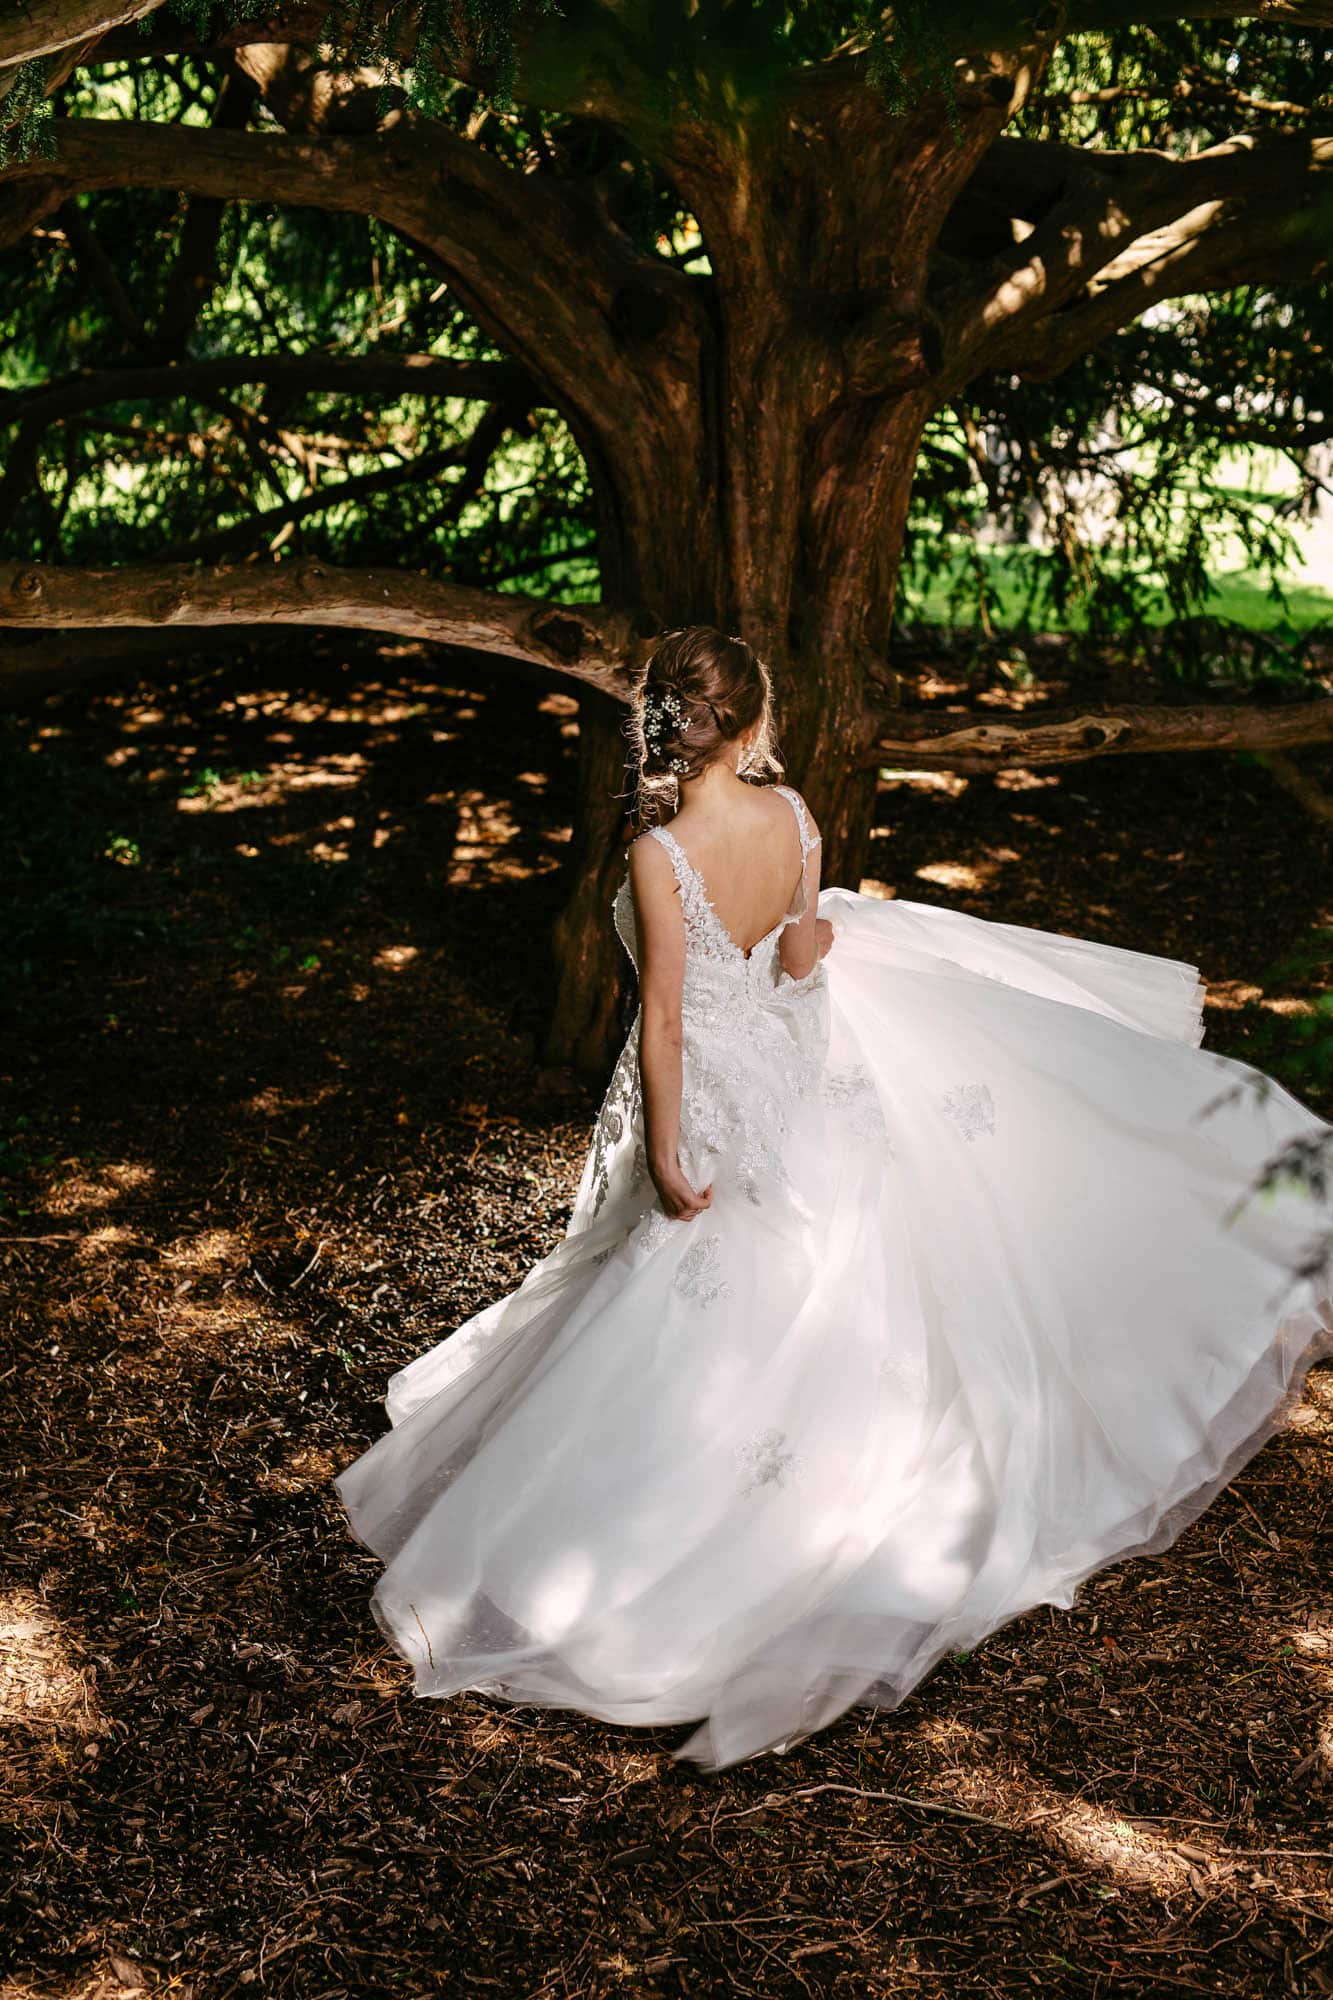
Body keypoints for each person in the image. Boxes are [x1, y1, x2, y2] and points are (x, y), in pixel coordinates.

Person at [334, 625, 1333, 1771]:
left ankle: (649, 1550)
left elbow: (660, 1019)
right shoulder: (796, 816)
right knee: (815, 1268)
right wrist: (797, 954)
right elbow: (803, 957)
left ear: (666, 723)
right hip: (796, 1075)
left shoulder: (660, 854)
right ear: (754, 723)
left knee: (688, 1294)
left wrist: (666, 1146)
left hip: (714, 1085)